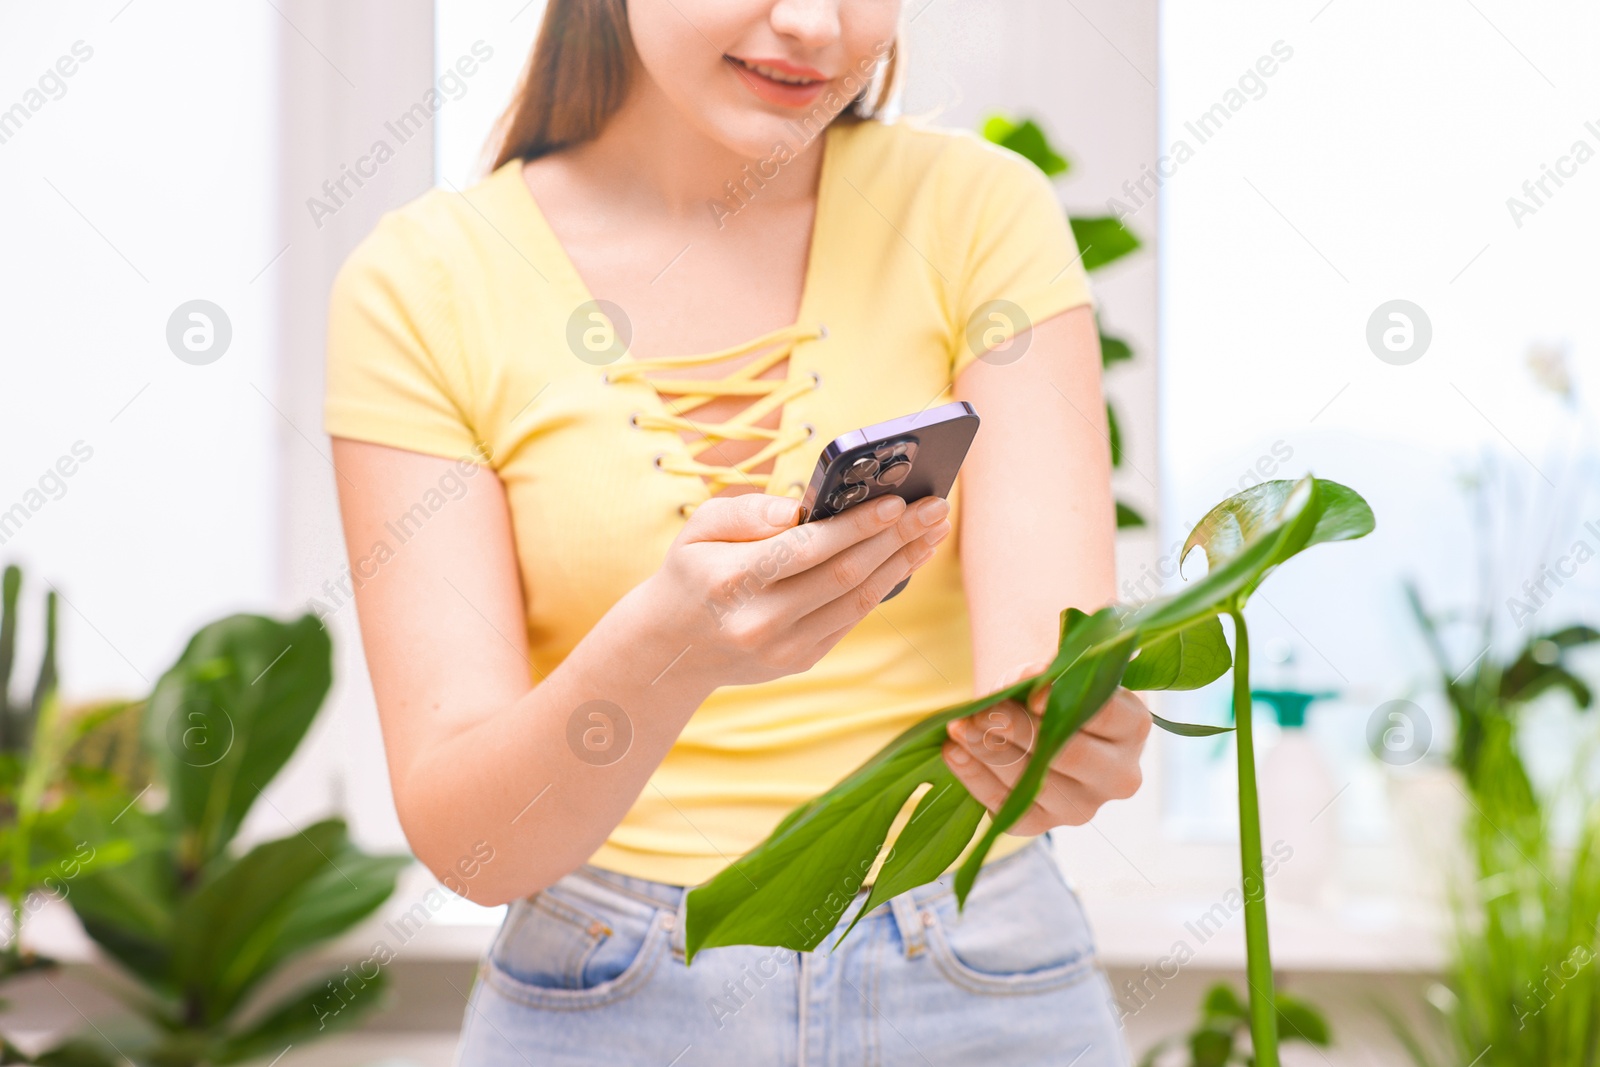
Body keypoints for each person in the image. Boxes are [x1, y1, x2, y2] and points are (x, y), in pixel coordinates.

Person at [324, 0, 1151, 1062]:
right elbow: (475, 846)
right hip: (602, 988)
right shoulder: (422, 286)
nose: (813, 21)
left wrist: (1070, 740)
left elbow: (1048, 665)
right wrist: (664, 650)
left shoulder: (976, 211)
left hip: (977, 959)